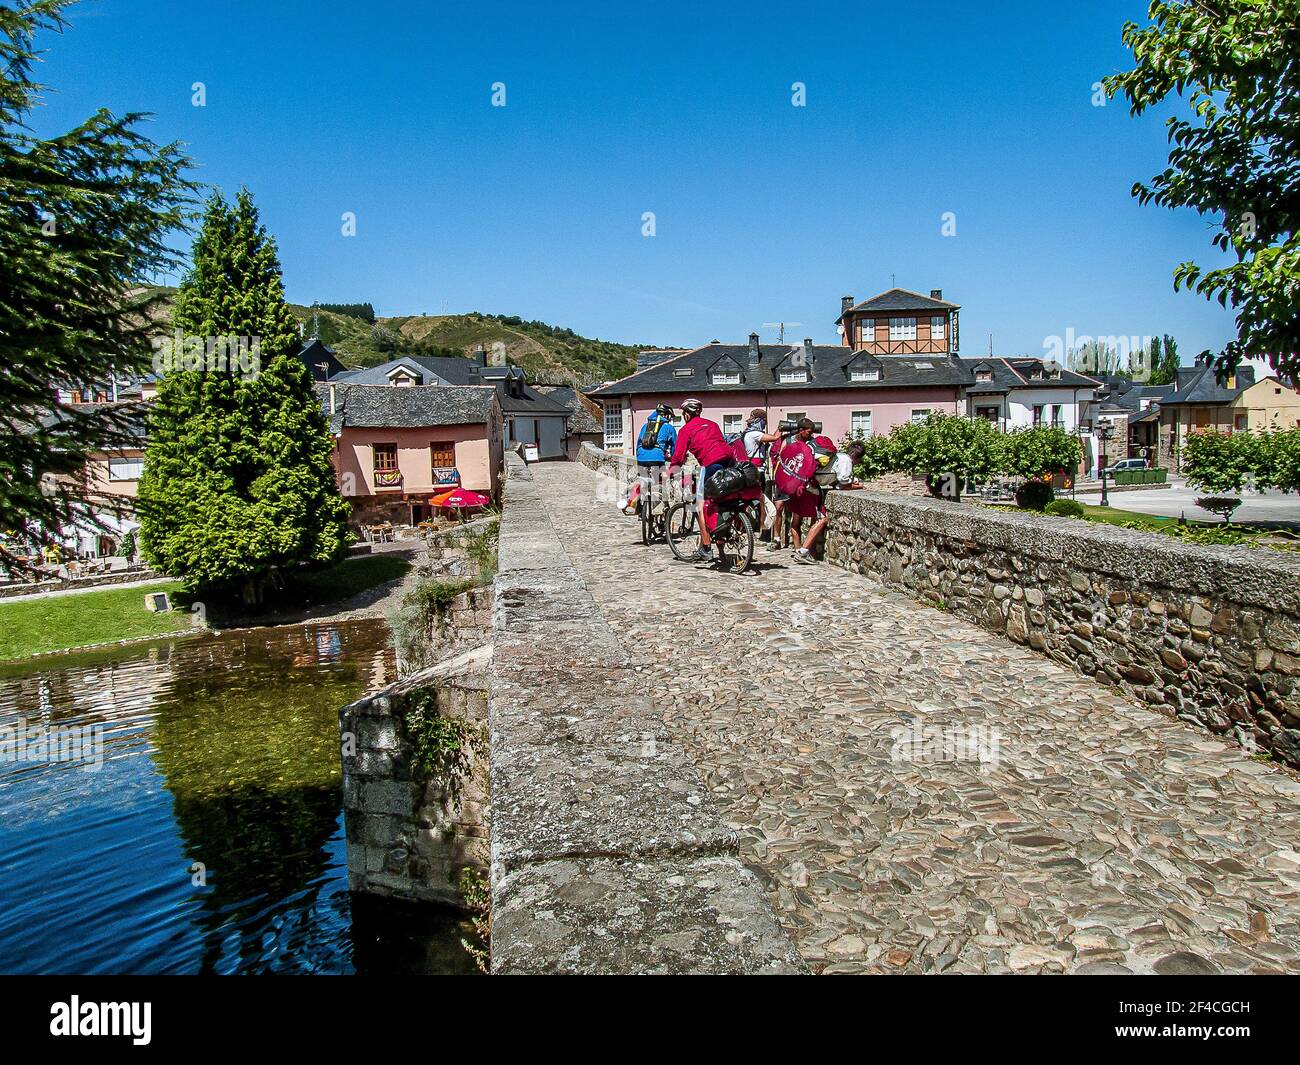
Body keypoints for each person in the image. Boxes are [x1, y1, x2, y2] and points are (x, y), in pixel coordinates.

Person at [668, 397, 734, 561]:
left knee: (699, 505)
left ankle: (706, 547)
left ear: (686, 414)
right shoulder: (713, 424)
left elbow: (678, 457)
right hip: (730, 462)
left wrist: (670, 473)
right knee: (722, 500)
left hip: (711, 464)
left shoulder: (686, 430)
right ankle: (725, 531)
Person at [623, 403, 677, 514]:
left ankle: (636, 503)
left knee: (643, 481)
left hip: (641, 459)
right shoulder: (668, 427)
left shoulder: (645, 426)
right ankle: (663, 507)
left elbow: (639, 443)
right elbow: (675, 446)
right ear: (666, 416)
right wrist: (673, 459)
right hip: (657, 459)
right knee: (660, 483)